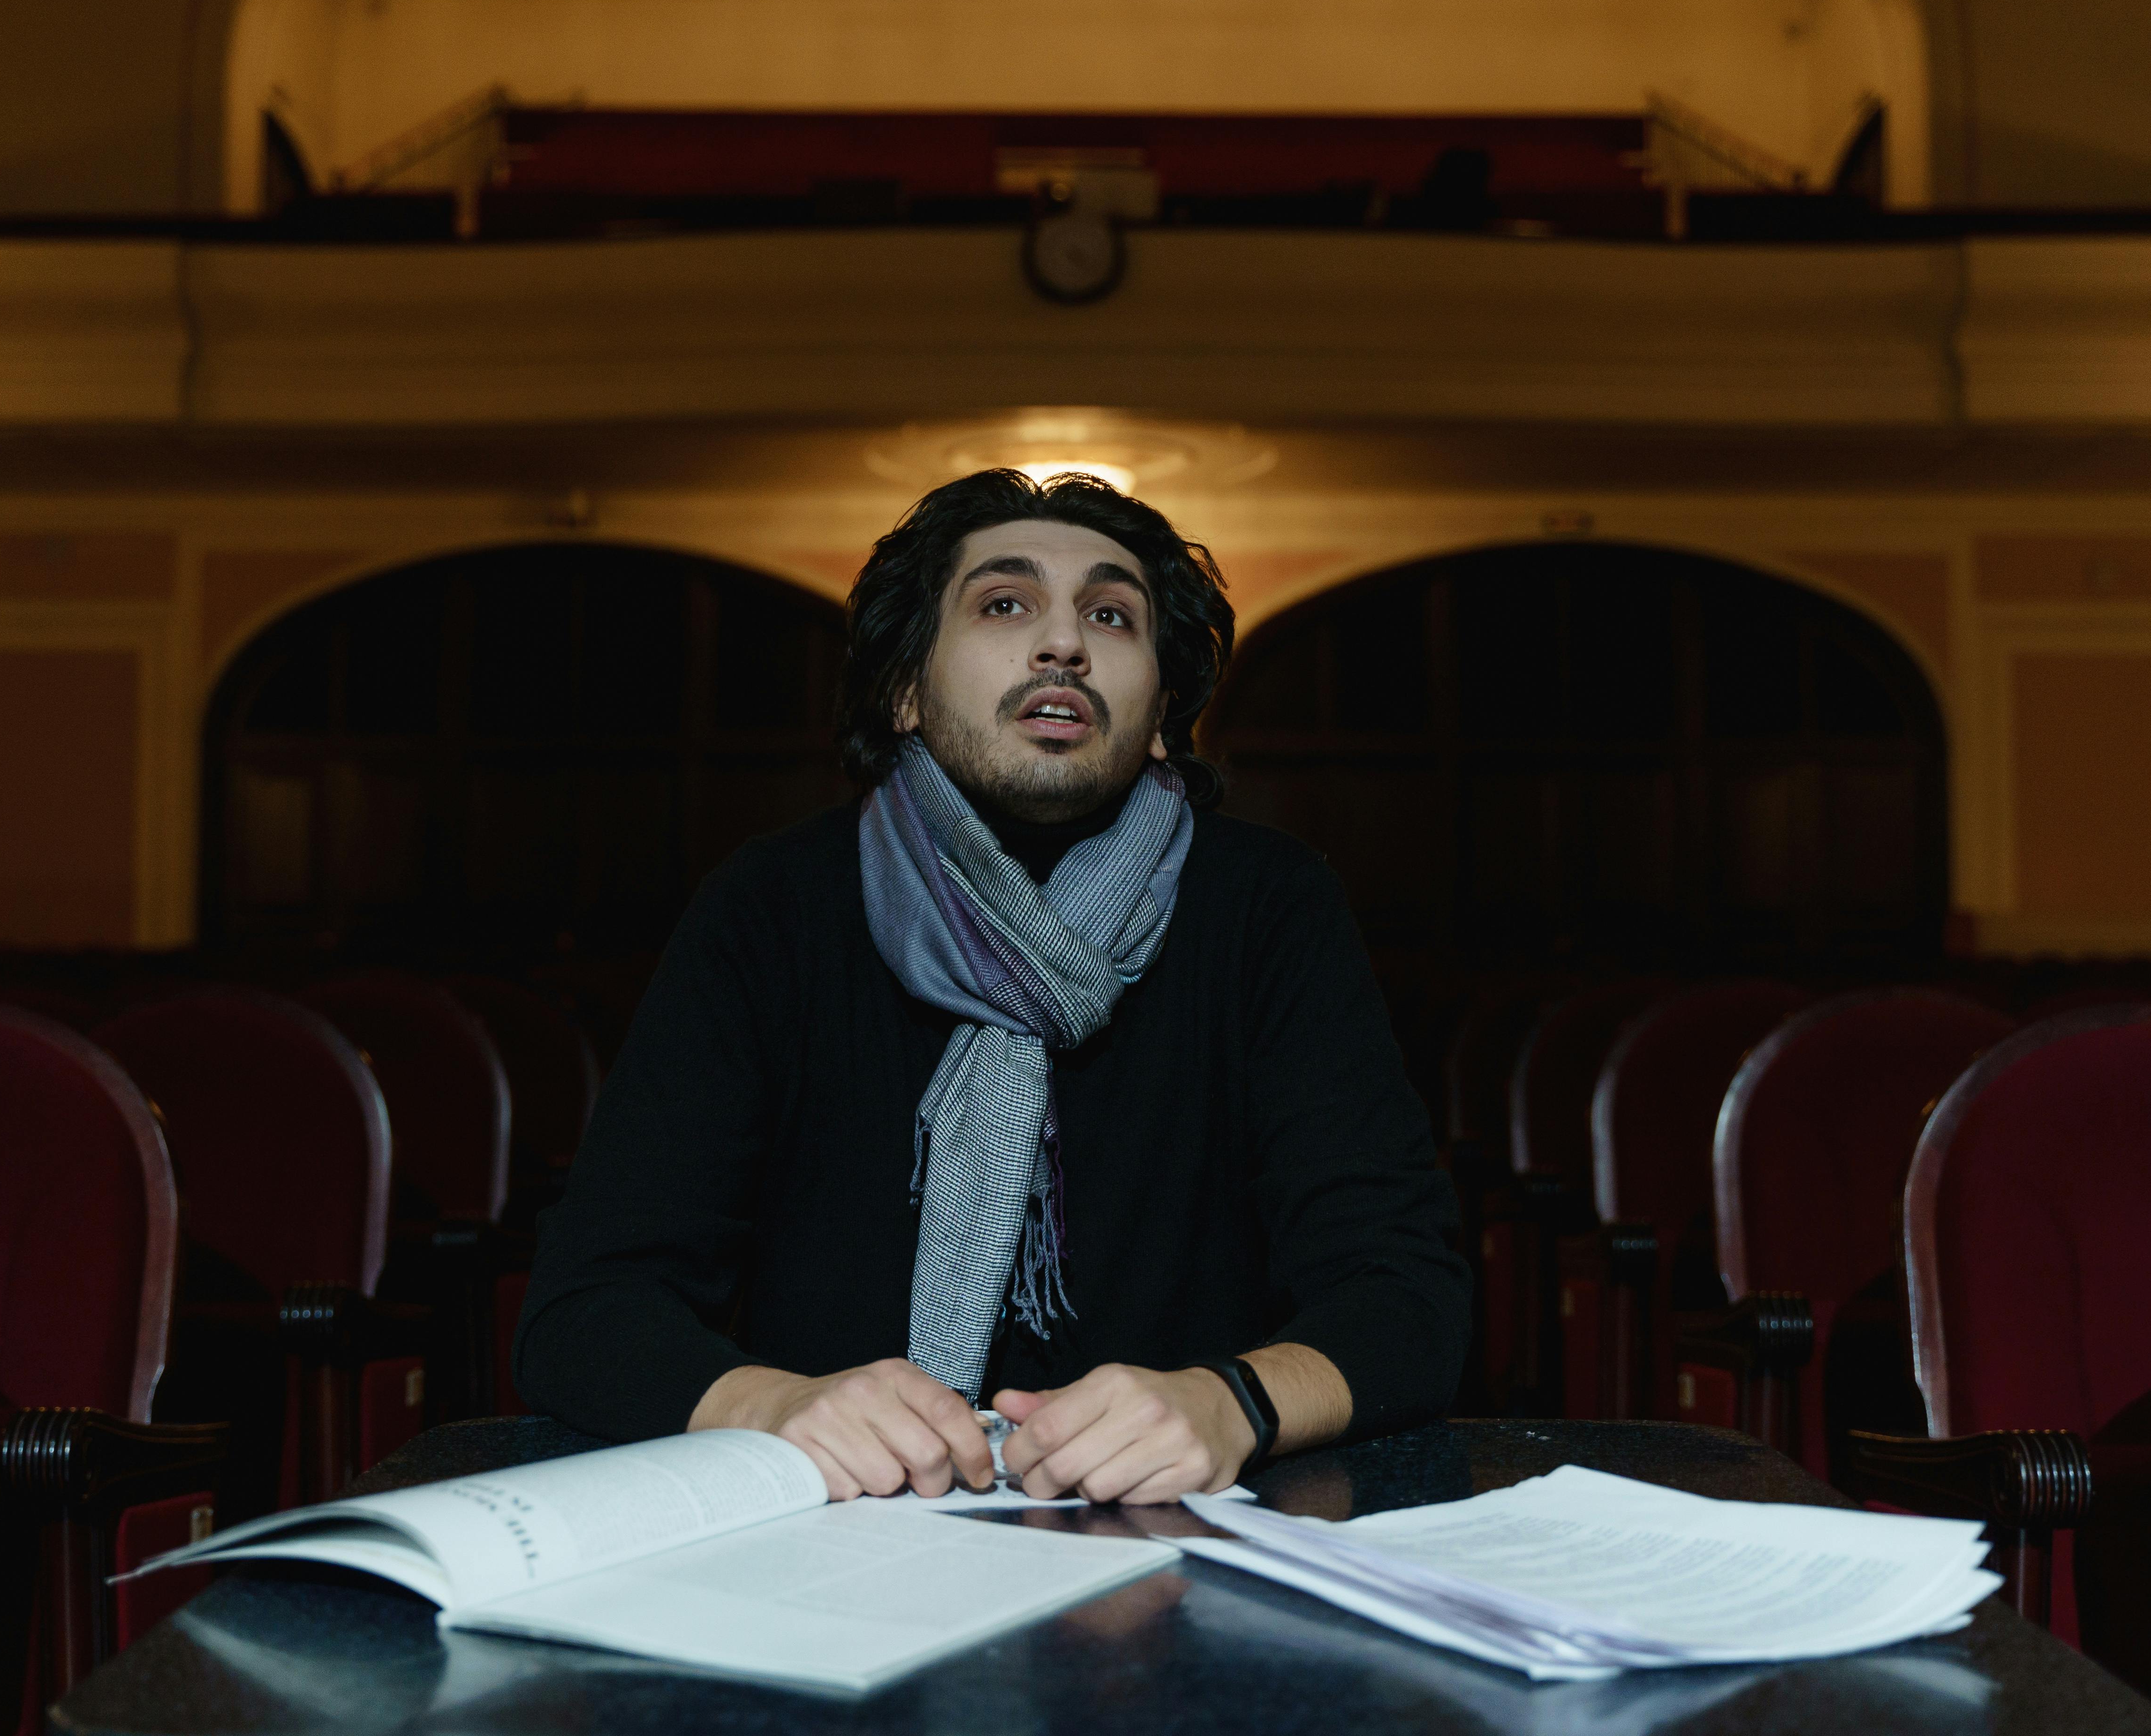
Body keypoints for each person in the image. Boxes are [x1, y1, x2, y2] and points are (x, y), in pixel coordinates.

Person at [515, 469, 1468, 1504]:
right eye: (1004, 603)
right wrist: (777, 1406)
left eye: (1112, 614)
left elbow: (1405, 1293)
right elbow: (588, 1306)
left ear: (1161, 716)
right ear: (906, 691)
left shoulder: (1268, 904)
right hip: (846, 1539)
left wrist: (1230, 1400)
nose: (1064, 644)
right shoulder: (776, 904)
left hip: (1183, 1531)